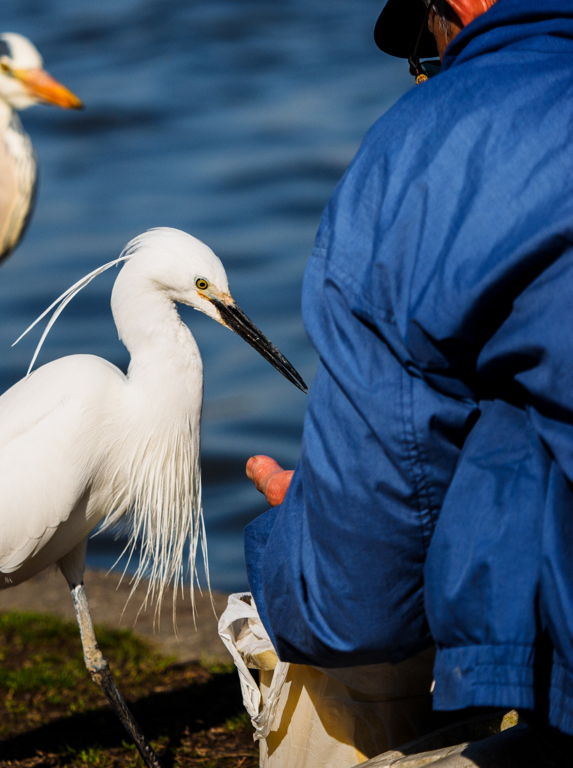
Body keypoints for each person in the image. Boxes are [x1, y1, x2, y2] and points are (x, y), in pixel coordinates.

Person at [243, 0, 573, 743]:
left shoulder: (429, 148)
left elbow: (350, 608)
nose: (432, 81)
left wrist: (303, 529)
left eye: (431, 53)